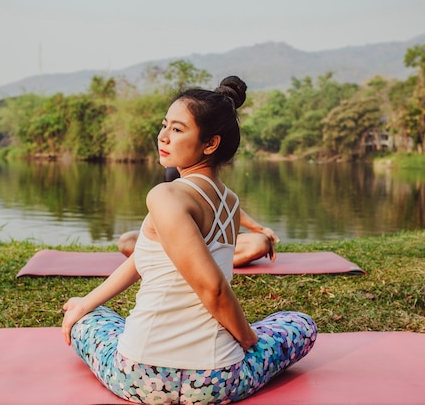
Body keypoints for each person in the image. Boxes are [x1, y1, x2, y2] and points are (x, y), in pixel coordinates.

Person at [61, 76, 317, 405]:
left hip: (141, 376)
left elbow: (214, 290)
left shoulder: (165, 196)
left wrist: (248, 337)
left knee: (92, 321)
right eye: (165, 125)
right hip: (219, 382)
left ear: (210, 143)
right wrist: (250, 345)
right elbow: (143, 257)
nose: (163, 136)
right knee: (299, 323)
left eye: (178, 129)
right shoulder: (230, 202)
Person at [117, 168, 280, 268]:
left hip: (210, 246)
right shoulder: (166, 192)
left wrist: (260, 229)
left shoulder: (207, 185)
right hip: (174, 247)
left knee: (260, 244)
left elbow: (230, 207)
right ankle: (189, 264)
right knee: (126, 241)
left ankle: (200, 265)